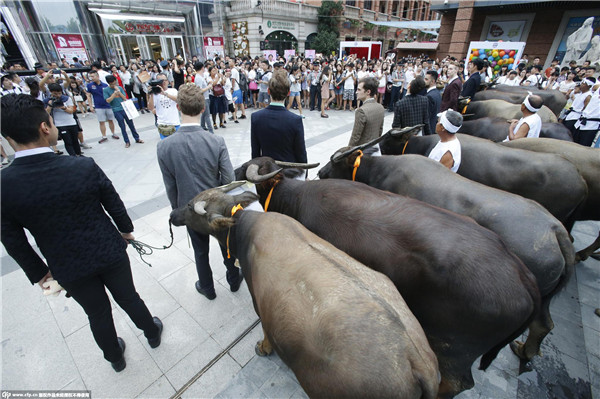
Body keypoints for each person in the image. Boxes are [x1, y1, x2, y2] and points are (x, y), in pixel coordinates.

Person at [0, 94, 163, 373]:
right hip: (109, 250)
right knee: (128, 297)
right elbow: (113, 202)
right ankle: (151, 331)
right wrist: (125, 231)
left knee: (96, 313)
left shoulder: (5, 185)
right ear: (44, 128)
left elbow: (12, 239)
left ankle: (114, 357)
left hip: (66, 265)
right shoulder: (81, 165)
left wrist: (40, 273)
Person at [157, 85, 242, 300]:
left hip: (190, 210)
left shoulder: (164, 147)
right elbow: (229, 180)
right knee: (226, 246)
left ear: (178, 107)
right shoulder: (216, 141)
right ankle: (233, 278)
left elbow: (171, 187)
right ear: (203, 108)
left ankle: (207, 287)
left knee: (200, 251)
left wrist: (178, 211)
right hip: (217, 207)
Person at [251, 70, 307, 163]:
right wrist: (304, 176)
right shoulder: (295, 120)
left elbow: (255, 153)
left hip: (267, 171)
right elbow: (301, 153)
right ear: (288, 93)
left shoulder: (256, 117)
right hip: (289, 173)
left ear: (268, 91)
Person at [104, 75, 143, 148]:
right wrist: (114, 94)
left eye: (115, 83)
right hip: (116, 110)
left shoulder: (120, 88)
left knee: (131, 124)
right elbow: (108, 100)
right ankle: (127, 141)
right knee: (122, 126)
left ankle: (137, 138)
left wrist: (118, 92)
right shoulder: (106, 90)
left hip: (124, 108)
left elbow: (125, 98)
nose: (114, 85)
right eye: (112, 84)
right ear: (109, 83)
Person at [44, 83, 81, 156]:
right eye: (55, 94)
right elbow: (46, 113)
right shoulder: (47, 100)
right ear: (51, 92)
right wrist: (50, 105)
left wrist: (63, 107)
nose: (57, 95)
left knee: (75, 140)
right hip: (60, 124)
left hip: (71, 122)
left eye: (59, 93)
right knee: (68, 141)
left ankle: (78, 154)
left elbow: (71, 111)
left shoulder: (66, 98)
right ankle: (73, 156)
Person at [348, 77, 385, 149]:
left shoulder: (361, 111)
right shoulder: (380, 107)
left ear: (368, 92)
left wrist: (347, 152)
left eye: (359, 89)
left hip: (363, 152)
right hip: (375, 149)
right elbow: (380, 131)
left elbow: (355, 137)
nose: (356, 92)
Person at [86, 70, 119, 143]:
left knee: (111, 120)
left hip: (108, 105)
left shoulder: (105, 85)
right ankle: (104, 136)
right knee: (101, 121)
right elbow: (88, 96)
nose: (92, 78)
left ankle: (113, 133)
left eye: (93, 76)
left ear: (97, 76)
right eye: (90, 77)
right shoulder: (90, 86)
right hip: (98, 106)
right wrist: (91, 106)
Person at [148, 73, 180, 139]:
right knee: (165, 146)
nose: (162, 82)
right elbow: (150, 108)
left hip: (174, 123)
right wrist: (151, 94)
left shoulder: (173, 91)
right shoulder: (155, 94)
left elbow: (179, 100)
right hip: (162, 124)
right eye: (159, 81)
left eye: (164, 80)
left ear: (167, 81)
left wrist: (164, 93)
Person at [573, 77, 598, 146]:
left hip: (592, 125)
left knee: (583, 145)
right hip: (581, 122)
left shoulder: (589, 95)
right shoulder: (596, 93)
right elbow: (595, 86)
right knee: (574, 142)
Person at [194, 61, 214, 133]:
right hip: (203, 98)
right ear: (202, 68)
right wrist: (208, 87)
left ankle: (202, 126)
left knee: (204, 114)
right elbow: (200, 90)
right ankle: (211, 131)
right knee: (207, 115)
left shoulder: (200, 77)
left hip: (205, 97)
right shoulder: (198, 78)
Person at [424, 70, 442, 136]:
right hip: (434, 127)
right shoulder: (437, 93)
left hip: (430, 130)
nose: (424, 81)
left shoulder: (429, 96)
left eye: (426, 79)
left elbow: (427, 117)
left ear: (432, 81)